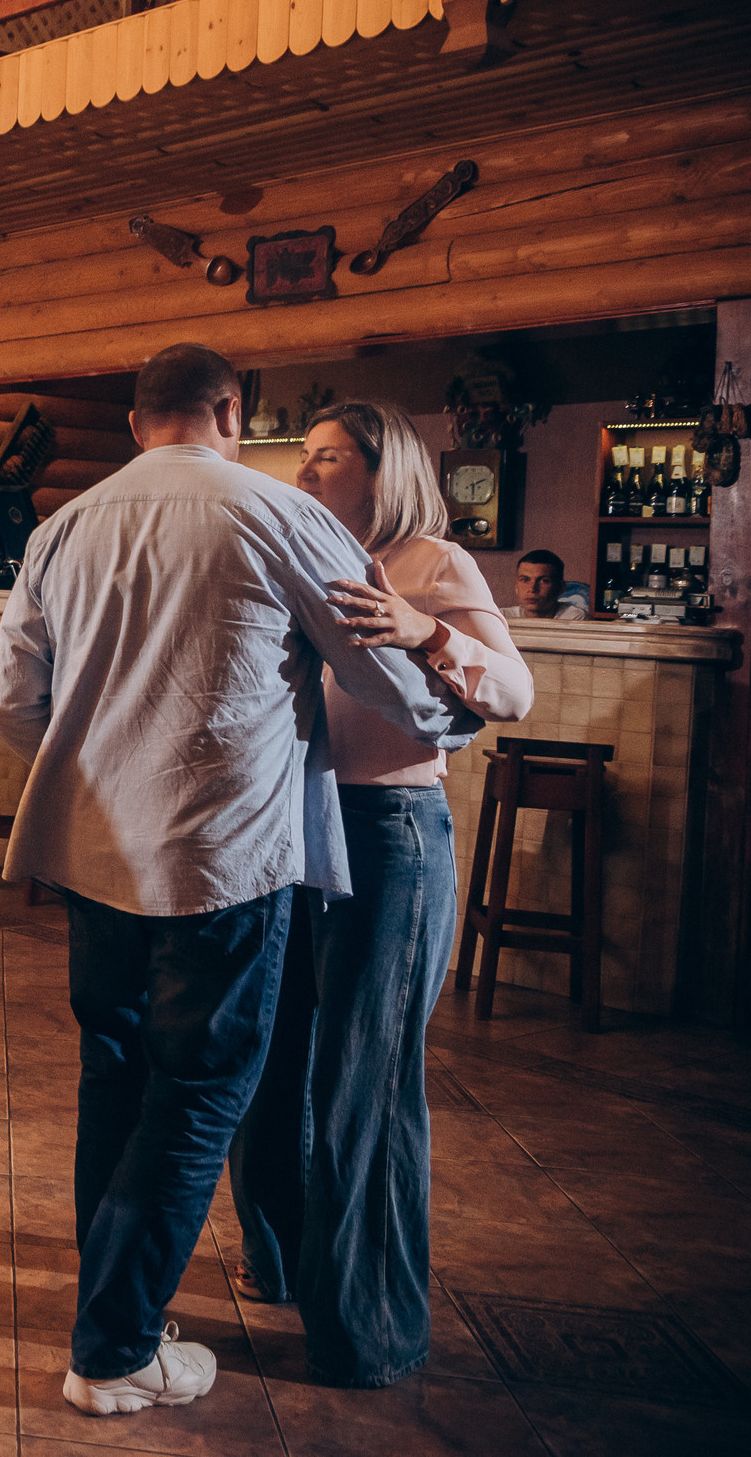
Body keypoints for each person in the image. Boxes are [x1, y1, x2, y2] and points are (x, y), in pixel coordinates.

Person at [0, 344, 475, 1420]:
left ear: (135, 422)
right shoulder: (278, 513)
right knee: (200, 1090)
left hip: (93, 854)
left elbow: (12, 704)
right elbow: (383, 673)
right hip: (223, 853)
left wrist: (101, 780)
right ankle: (114, 1347)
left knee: (115, 1080)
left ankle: (117, 1314)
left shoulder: (64, 526)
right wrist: (455, 711)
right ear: (230, 411)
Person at [229, 401, 531, 1386]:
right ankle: (281, 1261)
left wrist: (426, 630)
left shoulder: (432, 560)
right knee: (269, 1062)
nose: (304, 472)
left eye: (326, 457)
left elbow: (513, 692)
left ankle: (365, 1328)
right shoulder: (297, 555)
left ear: (383, 466)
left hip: (389, 832)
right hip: (289, 830)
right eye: (304, 456)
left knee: (363, 1081)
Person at [511, 548, 590, 619]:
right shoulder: (505, 616)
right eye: (525, 580)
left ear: (561, 587)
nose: (532, 589)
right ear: (516, 586)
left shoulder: (575, 617)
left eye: (544, 581)